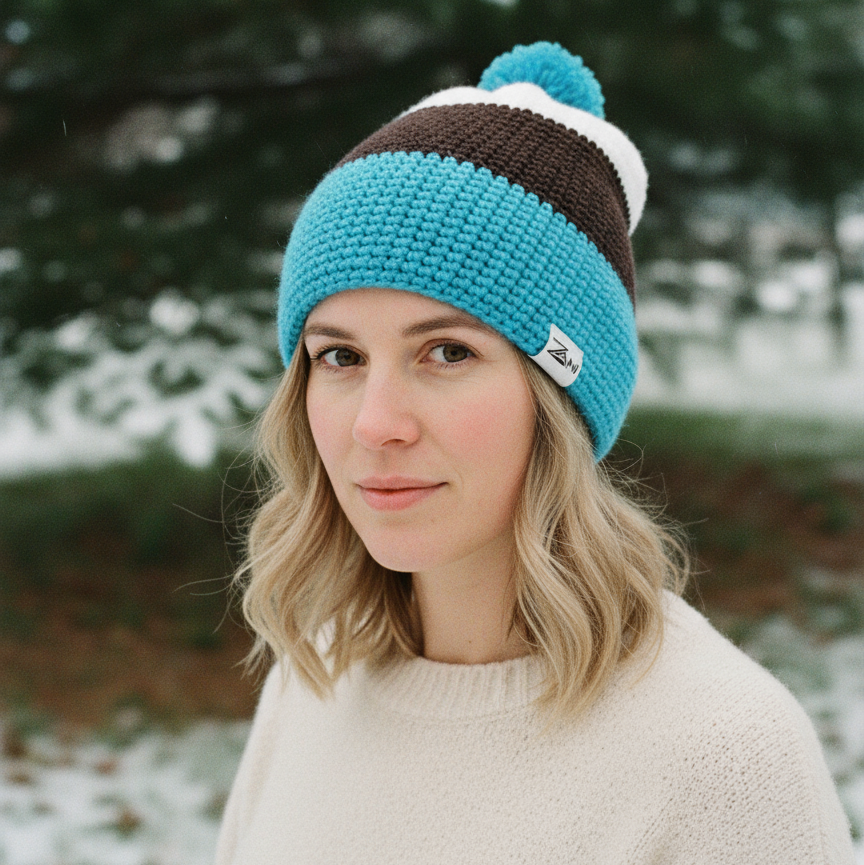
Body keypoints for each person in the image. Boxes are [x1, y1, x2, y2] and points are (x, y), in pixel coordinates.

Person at [215, 42, 856, 864]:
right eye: (339, 356)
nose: (376, 423)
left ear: (559, 395)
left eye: (447, 352)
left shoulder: (720, 752)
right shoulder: (316, 679)